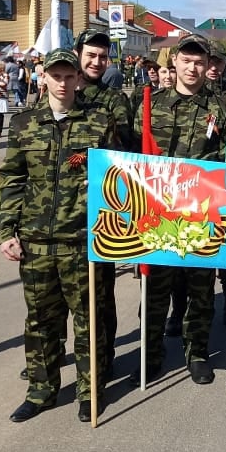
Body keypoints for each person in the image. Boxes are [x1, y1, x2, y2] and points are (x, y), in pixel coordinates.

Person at [0, 48, 120, 423]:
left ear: (79, 80)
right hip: (35, 241)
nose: (63, 83)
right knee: (40, 322)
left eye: (70, 76)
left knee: (89, 321)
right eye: (56, 76)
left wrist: (113, 234)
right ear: (44, 78)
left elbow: (116, 182)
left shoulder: (99, 122)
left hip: (82, 240)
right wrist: (7, 230)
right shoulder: (23, 124)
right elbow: (13, 179)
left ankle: (90, 391)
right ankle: (41, 390)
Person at [129, 34, 226, 386]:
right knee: (156, 289)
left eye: (200, 61)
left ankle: (197, 354)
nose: (193, 66)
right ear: (173, 63)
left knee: (200, 290)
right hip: (156, 213)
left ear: (208, 66)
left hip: (201, 211)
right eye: (186, 60)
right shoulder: (148, 104)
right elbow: (128, 154)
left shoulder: (221, 107)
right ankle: (151, 356)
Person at [75, 29, 136, 378]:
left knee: (100, 294)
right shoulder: (60, 89)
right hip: (59, 213)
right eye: (91, 55)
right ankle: (51, 359)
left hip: (100, 210)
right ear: (78, 53)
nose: (96, 62)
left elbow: (127, 152)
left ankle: (102, 358)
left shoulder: (115, 101)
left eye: (102, 56)